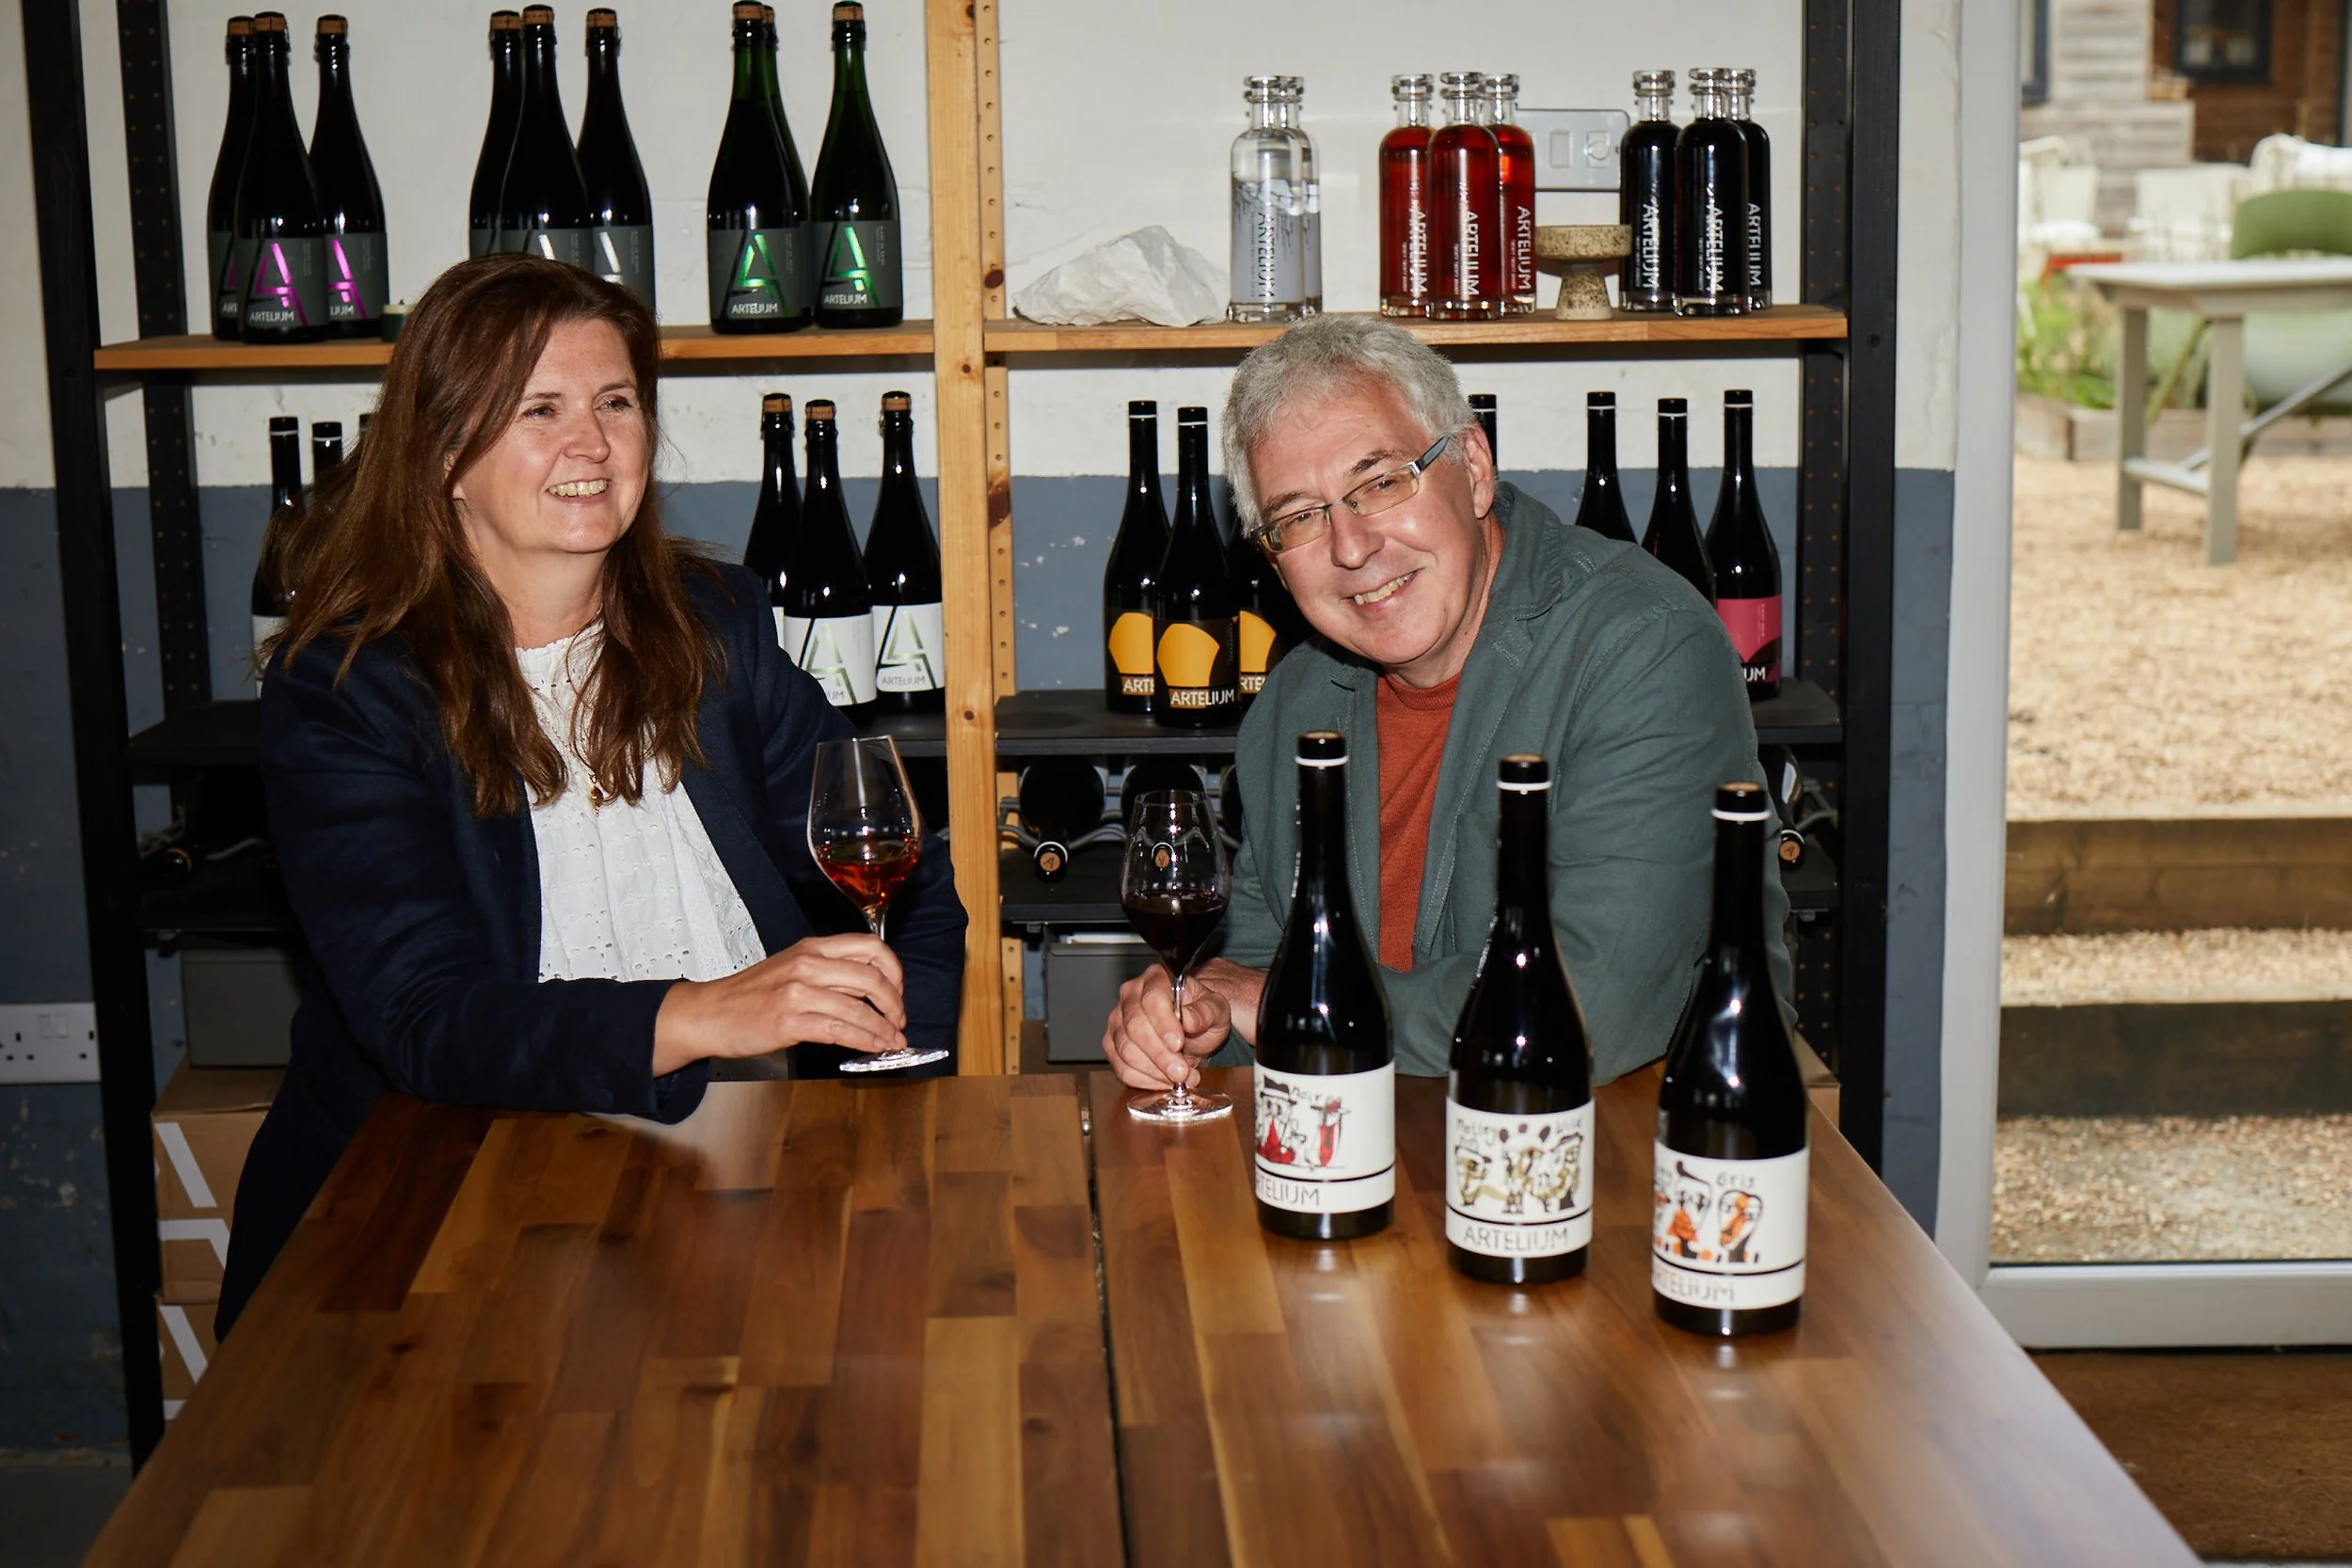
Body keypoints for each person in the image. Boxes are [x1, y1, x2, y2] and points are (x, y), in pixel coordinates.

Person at [216, 254, 964, 1336]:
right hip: (430, 1209)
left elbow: (903, 871)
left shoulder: (715, 623)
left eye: (616, 402)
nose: (593, 443)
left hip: (737, 1179)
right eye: (540, 408)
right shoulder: (347, 692)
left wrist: (886, 1083)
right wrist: (704, 1008)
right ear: (442, 458)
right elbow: (429, 1019)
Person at [1100, 314, 1791, 1092]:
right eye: (1298, 517)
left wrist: (1292, 1004)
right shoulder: (1294, 703)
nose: (1351, 547)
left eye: (1382, 481)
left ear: (1473, 464)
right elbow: (1253, 982)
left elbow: (1592, 1005)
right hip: (1367, 1154)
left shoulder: (1646, 647)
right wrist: (1187, 1022)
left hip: (1632, 1156)